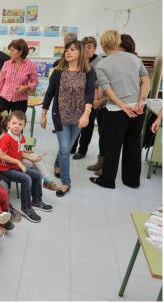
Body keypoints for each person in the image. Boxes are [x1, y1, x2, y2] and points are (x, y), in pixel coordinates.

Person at [89, 30, 149, 189]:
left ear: (102, 44)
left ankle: (107, 180)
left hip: (116, 111)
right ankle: (132, 181)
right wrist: (140, 102)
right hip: (138, 110)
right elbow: (145, 81)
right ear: (118, 42)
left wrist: (122, 105)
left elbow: (108, 90)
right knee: (133, 144)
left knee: (112, 146)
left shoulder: (102, 64)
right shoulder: (135, 59)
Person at [41, 40, 96, 196]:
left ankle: (58, 164)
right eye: (67, 49)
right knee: (65, 149)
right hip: (60, 115)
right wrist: (43, 114)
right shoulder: (58, 71)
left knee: (66, 147)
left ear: (80, 52)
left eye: (72, 49)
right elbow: (50, 93)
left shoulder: (89, 71)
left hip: (79, 116)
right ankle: (66, 182)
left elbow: (90, 93)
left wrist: (86, 113)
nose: (68, 52)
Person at [0, 111, 52, 222]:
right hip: (5, 169)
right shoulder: (5, 138)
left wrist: (32, 158)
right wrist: (18, 162)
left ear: (24, 126)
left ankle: (36, 201)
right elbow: (2, 155)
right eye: (14, 123)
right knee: (26, 178)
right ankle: (26, 208)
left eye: (20, 124)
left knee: (36, 174)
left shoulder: (21, 137)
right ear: (8, 124)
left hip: (15, 167)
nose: (17, 126)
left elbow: (21, 152)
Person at [72, 36, 104, 160]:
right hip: (76, 98)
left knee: (87, 125)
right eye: (84, 47)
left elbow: (100, 81)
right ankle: (72, 146)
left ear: (94, 48)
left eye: (89, 47)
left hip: (92, 97)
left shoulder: (100, 62)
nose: (86, 49)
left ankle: (82, 150)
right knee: (74, 122)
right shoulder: (78, 60)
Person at [0, 39, 38, 114]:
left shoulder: (31, 65)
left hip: (20, 101)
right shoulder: (6, 64)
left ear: (20, 52)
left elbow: (35, 81)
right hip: (4, 98)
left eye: (12, 50)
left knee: (17, 123)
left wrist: (27, 87)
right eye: (9, 50)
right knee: (1, 123)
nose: (9, 53)